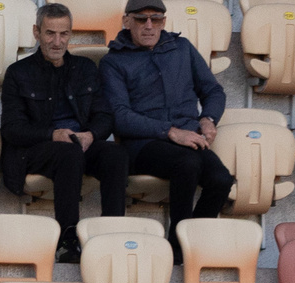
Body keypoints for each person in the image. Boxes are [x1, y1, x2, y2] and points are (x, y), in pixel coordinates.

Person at [0, 4, 130, 263]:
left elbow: (105, 116)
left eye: (64, 34)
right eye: (50, 33)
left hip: (79, 143)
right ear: (36, 32)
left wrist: (91, 135)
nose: (57, 42)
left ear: (70, 34)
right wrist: (52, 134)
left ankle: (112, 232)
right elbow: (12, 129)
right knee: (68, 153)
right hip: (36, 149)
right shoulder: (18, 73)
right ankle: (67, 239)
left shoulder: (86, 69)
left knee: (115, 154)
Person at [100, 0, 233, 255]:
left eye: (156, 19)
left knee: (221, 179)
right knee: (187, 163)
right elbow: (119, 116)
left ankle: (191, 240)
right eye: (141, 19)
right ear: (127, 22)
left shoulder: (182, 48)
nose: (149, 26)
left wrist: (208, 119)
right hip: (143, 145)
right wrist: (170, 131)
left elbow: (213, 90)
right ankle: (176, 247)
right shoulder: (113, 62)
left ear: (164, 21)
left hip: (188, 138)